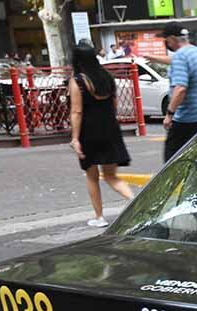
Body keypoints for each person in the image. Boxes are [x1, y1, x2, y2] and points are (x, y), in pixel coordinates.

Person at [66, 42, 134, 228]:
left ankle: (99, 217)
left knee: (91, 175)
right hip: (110, 128)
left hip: (89, 131)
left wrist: (75, 138)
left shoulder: (78, 81)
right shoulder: (106, 77)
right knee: (111, 176)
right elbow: (114, 105)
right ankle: (135, 201)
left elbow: (76, 112)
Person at [154, 22, 197, 163]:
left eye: (167, 40)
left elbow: (180, 89)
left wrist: (169, 114)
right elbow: (175, 61)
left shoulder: (180, 57)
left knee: (171, 162)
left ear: (173, 39)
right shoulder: (196, 52)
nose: (166, 43)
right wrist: (152, 58)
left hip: (186, 119)